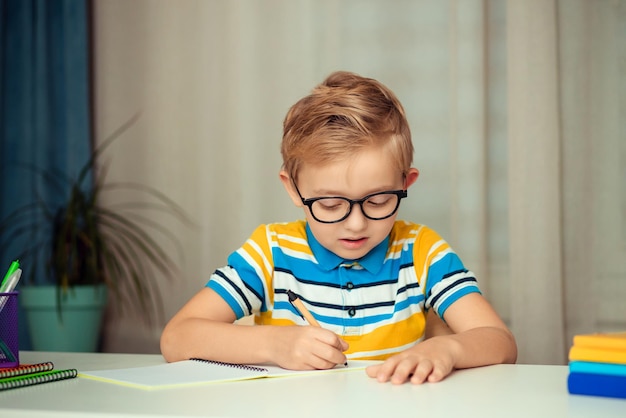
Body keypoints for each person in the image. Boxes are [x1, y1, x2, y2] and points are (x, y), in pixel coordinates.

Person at [160, 71, 517, 385]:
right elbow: (177, 338)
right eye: (331, 204)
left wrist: (448, 348)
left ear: (406, 182)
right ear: (293, 188)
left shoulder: (421, 251)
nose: (356, 223)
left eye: (378, 201)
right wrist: (273, 344)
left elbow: (500, 341)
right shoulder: (271, 252)